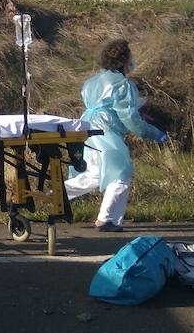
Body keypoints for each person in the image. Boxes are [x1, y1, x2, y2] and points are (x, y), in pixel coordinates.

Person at [65, 38, 166, 232]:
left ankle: (52, 196)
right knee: (121, 172)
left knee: (94, 174)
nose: (132, 60)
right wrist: (153, 133)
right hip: (106, 132)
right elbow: (129, 117)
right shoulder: (123, 84)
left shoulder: (91, 82)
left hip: (88, 128)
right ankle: (107, 219)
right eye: (130, 57)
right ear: (123, 60)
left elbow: (105, 106)